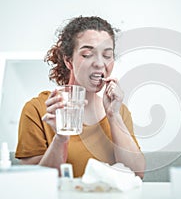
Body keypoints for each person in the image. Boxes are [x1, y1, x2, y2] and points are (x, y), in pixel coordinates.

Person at [15, 16, 145, 178]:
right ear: (68, 60)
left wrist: (114, 117)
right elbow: (33, 182)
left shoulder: (118, 110)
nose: (99, 63)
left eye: (107, 55)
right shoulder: (37, 109)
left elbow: (136, 175)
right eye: (88, 54)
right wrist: (60, 139)